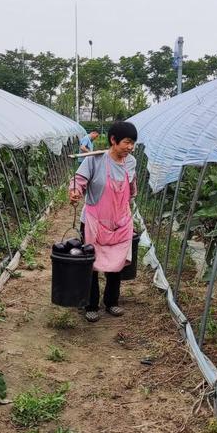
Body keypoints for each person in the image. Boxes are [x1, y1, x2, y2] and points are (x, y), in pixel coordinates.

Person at [69, 121, 137, 322]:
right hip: (94, 221)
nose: (130, 147)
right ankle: (91, 305)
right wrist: (75, 192)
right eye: (127, 142)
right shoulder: (94, 160)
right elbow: (78, 181)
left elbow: (131, 187)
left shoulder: (131, 162)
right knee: (91, 263)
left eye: (133, 143)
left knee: (116, 265)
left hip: (120, 222)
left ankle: (112, 302)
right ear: (113, 140)